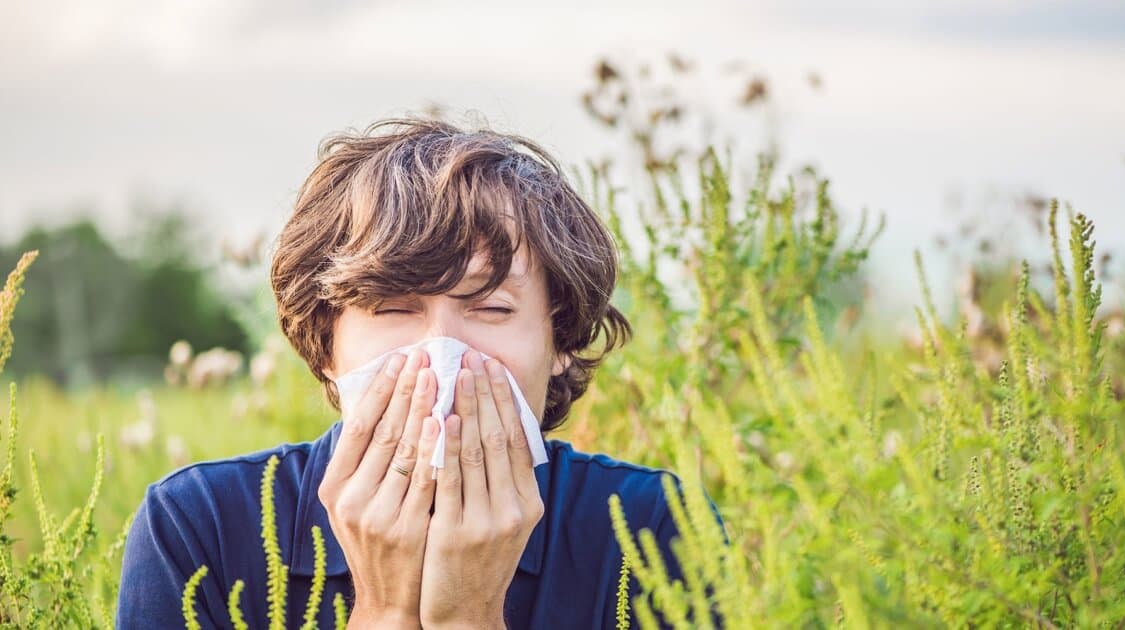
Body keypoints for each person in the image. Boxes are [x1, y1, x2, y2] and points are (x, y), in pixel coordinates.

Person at [116, 116, 724, 629]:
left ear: (560, 338)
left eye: (490, 308)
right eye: (394, 308)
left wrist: (469, 617)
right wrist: (384, 611)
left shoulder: (654, 531)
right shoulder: (201, 529)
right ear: (326, 344)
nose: (442, 355)